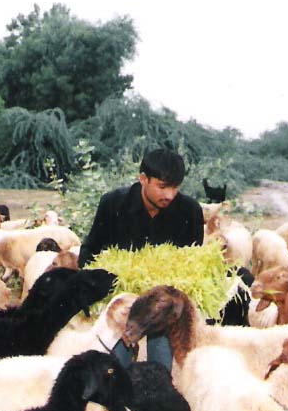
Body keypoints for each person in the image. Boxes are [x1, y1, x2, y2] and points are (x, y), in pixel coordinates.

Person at [78, 148, 205, 370]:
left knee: (161, 365)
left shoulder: (189, 211)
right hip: (122, 304)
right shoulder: (113, 204)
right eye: (163, 187)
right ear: (143, 179)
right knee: (114, 366)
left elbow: (194, 263)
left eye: (175, 187)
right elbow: (91, 249)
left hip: (164, 310)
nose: (169, 195)